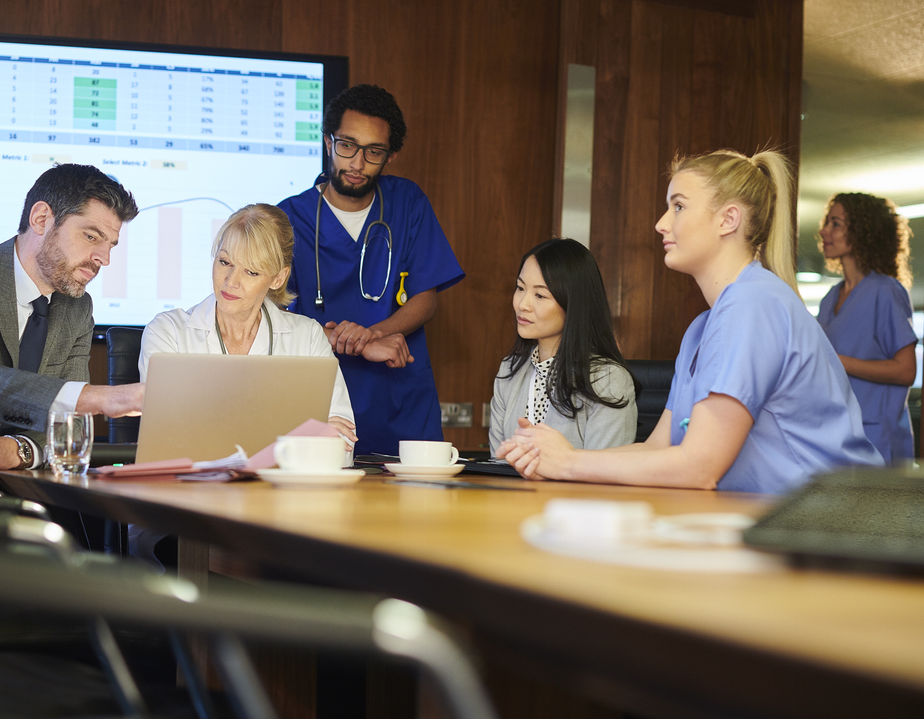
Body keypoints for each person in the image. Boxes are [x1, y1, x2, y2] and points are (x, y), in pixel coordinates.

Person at [497, 149, 881, 493]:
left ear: (728, 220)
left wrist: (567, 461)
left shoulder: (754, 305)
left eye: (678, 206)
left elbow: (700, 468)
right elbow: (657, 449)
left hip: (834, 529)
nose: (662, 223)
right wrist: (547, 456)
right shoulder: (702, 330)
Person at [0, 164, 145, 480]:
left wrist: (17, 449)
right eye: (91, 236)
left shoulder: (77, 308)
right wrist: (106, 398)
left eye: (110, 244)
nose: (104, 258)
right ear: (42, 219)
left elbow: (70, 426)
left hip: (6, 491)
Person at [278, 84, 464, 456]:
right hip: (321, 397)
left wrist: (371, 335)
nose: (358, 163)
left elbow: (425, 300)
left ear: (391, 155)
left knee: (414, 510)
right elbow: (272, 315)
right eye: (347, 145)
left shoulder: (408, 203)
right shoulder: (288, 217)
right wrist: (356, 342)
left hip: (400, 398)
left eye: (374, 151)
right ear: (329, 142)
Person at [140, 203, 386, 443]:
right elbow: (165, 436)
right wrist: (297, 431)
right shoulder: (167, 332)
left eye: (251, 272)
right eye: (225, 262)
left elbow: (342, 440)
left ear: (278, 278)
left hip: (282, 485)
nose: (231, 281)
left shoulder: (308, 337)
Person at [490, 239, 637, 451]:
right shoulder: (510, 370)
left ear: (573, 303)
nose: (522, 304)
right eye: (520, 288)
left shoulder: (608, 379)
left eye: (540, 295)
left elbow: (606, 474)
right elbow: (498, 462)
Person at [816, 192, 918, 465]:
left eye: (835, 224)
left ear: (862, 232)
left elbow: (906, 370)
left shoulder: (885, 291)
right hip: (839, 436)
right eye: (827, 222)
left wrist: (839, 362)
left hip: (877, 441)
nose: (824, 230)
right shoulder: (830, 299)